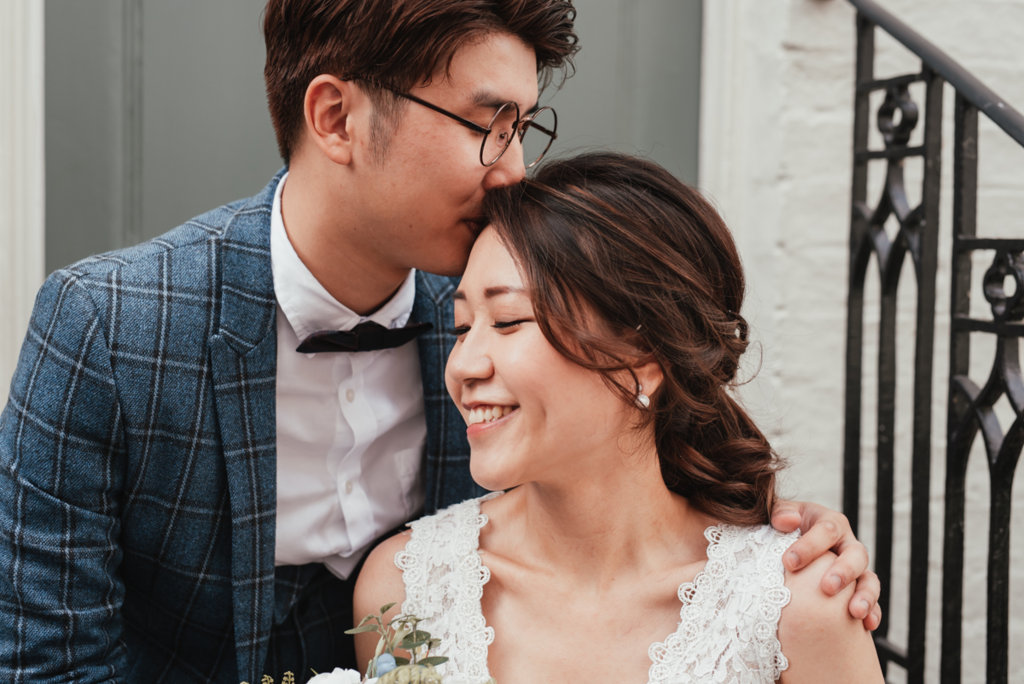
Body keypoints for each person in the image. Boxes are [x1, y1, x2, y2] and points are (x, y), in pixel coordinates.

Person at [0, 2, 876, 682]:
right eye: (486, 122)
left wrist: (787, 547)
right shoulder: (109, 326)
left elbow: (625, 475)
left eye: (524, 128)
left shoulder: (513, 346)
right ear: (337, 117)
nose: (514, 169)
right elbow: (48, 664)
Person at [354, 152, 885, 683]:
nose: (463, 364)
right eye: (464, 325)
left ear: (644, 358)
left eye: (510, 320)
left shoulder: (797, 608)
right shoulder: (403, 591)